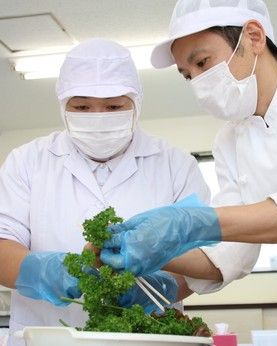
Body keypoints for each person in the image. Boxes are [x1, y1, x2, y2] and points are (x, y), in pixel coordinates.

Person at [99, 1, 277, 345]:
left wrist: (189, 223)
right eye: (188, 75)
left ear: (254, 37)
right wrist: (157, 254)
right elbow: (231, 253)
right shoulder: (229, 142)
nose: (198, 83)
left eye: (202, 63)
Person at [0, 38, 211, 346]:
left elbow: (202, 257)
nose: (98, 116)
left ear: (135, 105)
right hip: (47, 337)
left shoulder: (176, 165)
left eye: (113, 106)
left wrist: (159, 287)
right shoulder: (26, 162)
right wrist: (56, 273)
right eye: (82, 106)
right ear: (64, 107)